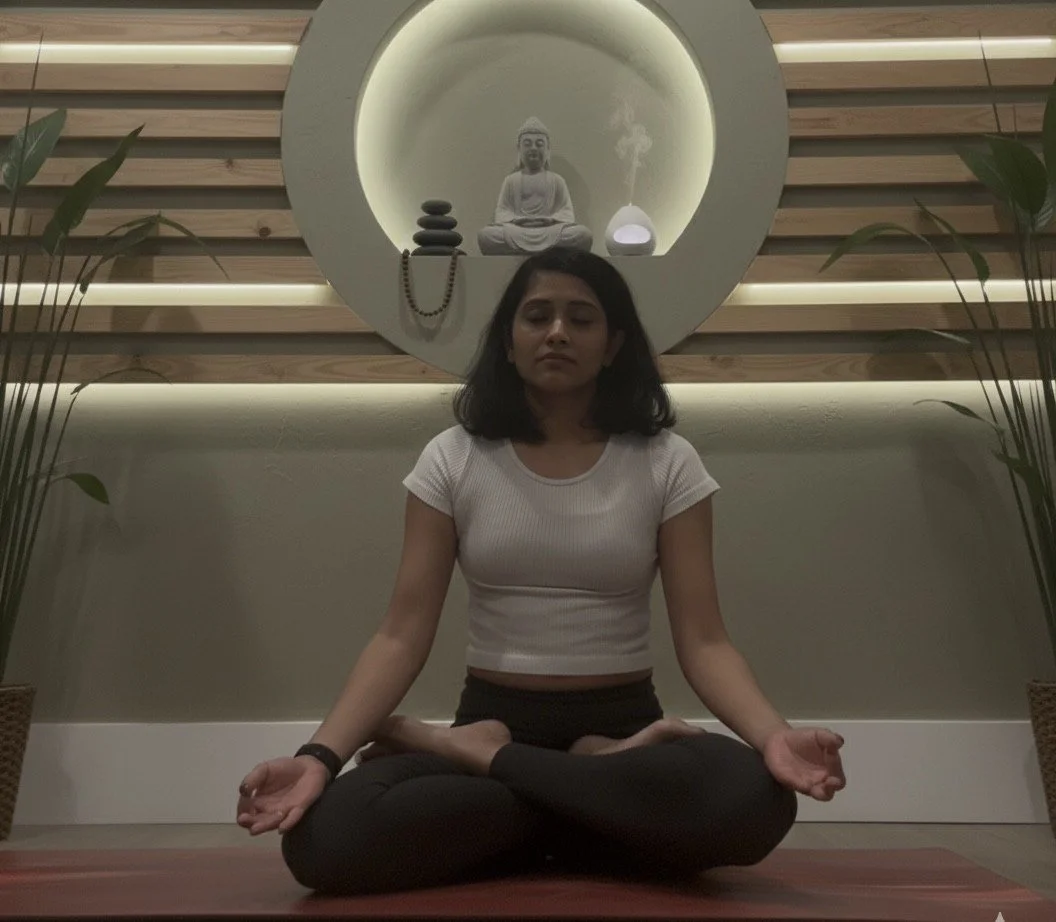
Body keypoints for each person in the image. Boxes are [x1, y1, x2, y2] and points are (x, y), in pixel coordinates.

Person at [235, 247, 847, 895]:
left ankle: (486, 765)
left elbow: (704, 641)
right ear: (508, 339)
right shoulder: (453, 458)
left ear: (613, 345)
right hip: (507, 717)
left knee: (754, 801)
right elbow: (400, 634)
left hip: (620, 731)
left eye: (581, 319)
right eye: (537, 316)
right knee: (329, 841)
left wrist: (774, 738)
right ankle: (596, 812)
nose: (557, 332)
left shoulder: (669, 462)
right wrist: (318, 758)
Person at [477, 117, 593, 255]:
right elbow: (502, 211)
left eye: (539, 144)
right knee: (486, 236)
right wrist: (517, 220)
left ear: (547, 149)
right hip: (518, 230)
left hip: (550, 231)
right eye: (527, 144)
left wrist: (550, 219)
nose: (533, 148)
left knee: (583, 235)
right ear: (519, 148)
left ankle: (527, 250)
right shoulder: (511, 180)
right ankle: (546, 251)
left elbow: (566, 212)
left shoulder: (557, 180)